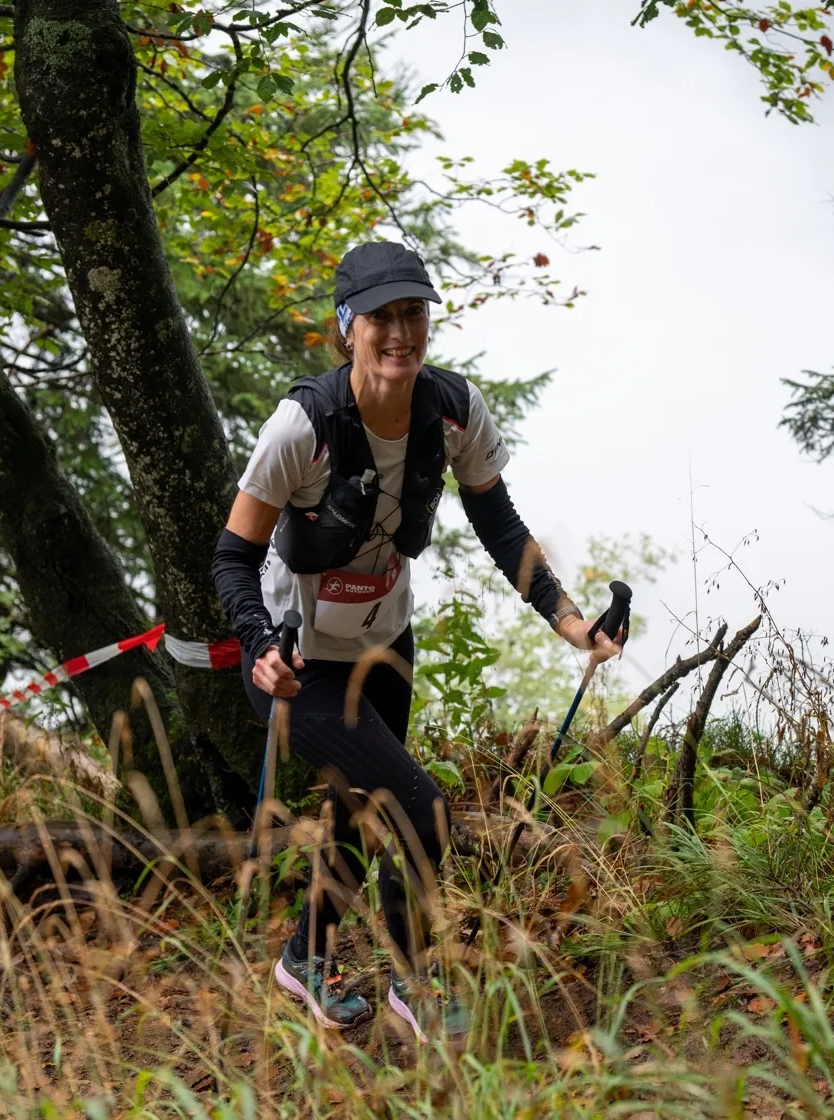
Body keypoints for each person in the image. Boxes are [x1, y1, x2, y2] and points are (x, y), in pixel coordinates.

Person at [210, 241, 622, 1039]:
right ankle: (414, 980)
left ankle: (305, 960)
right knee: (422, 810)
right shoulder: (304, 426)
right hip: (295, 663)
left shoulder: (454, 410)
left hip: (385, 647)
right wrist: (259, 641)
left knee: (357, 811)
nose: (400, 333)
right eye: (381, 318)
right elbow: (234, 552)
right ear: (345, 327)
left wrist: (572, 621)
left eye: (413, 313)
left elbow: (501, 528)